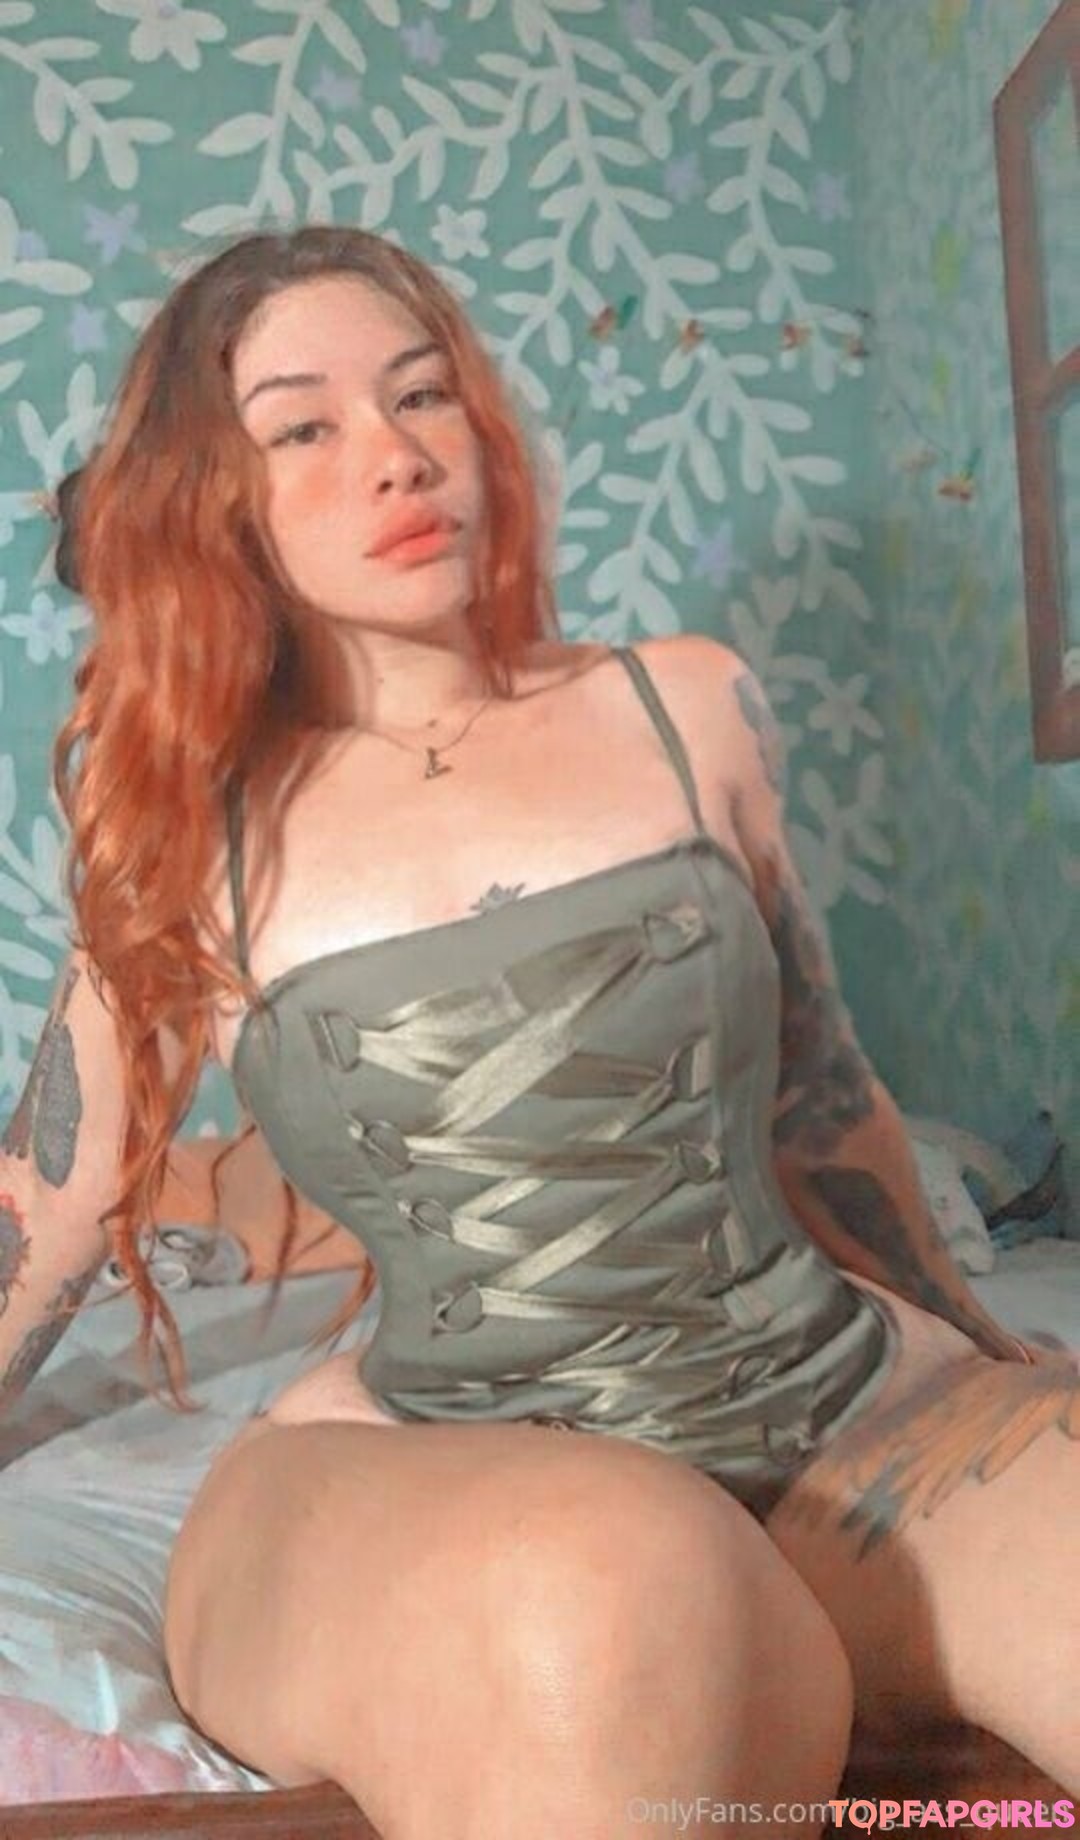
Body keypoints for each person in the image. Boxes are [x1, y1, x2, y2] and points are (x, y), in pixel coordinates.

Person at [0, 225, 1075, 1840]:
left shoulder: (684, 703)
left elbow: (824, 1104)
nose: (395, 454)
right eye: (304, 426)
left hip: (825, 1402)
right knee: (620, 1589)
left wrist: (971, 1333)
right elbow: (51, 1215)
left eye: (423, 393)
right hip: (456, 1463)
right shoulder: (181, 833)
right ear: (211, 500)